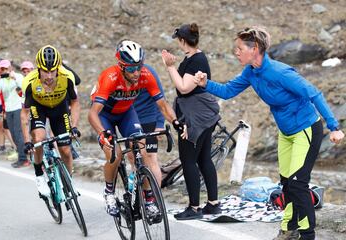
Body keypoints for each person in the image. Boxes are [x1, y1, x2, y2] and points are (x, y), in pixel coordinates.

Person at [194, 26, 345, 240]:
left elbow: (314, 93)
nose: (235, 52)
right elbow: (227, 91)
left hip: (306, 130)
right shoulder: (251, 72)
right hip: (286, 134)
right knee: (286, 183)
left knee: (298, 184)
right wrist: (205, 84)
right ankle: (289, 229)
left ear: (254, 48)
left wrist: (334, 127)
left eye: (239, 48)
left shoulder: (280, 72)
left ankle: (307, 235)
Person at [88, 40, 186, 217]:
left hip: (127, 113)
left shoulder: (145, 74)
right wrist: (102, 134)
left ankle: (148, 200)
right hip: (105, 116)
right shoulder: (109, 77)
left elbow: (162, 106)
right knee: (115, 154)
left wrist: (176, 123)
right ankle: (109, 192)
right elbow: (93, 114)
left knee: (143, 153)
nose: (136, 72)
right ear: (121, 66)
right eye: (131, 69)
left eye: (138, 67)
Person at [161, 23, 222, 220]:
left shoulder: (196, 60)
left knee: (188, 160)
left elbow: (184, 87)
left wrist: (170, 67)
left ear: (182, 40)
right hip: (202, 114)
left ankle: (194, 208)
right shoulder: (194, 57)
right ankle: (213, 204)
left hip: (194, 117)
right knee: (203, 158)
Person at [21, 45, 81, 197]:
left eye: (52, 71)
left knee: (66, 150)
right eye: (45, 71)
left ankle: (68, 181)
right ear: (38, 69)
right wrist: (27, 141)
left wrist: (74, 126)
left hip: (59, 109)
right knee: (39, 139)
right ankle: (39, 175)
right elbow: (25, 112)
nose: (49, 76)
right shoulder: (29, 81)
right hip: (38, 108)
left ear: (58, 68)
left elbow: (75, 102)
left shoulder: (67, 77)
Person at [0, 59, 30, 168]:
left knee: (18, 133)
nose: (4, 70)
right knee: (13, 135)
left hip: (18, 107)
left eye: (6, 68)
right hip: (8, 109)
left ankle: (23, 159)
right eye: (2, 68)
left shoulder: (17, 76)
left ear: (10, 68)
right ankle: (23, 155)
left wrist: (15, 78)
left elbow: (24, 88)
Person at [133, 63, 165, 186]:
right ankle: (137, 191)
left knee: (150, 157)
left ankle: (155, 198)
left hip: (149, 119)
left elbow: (161, 98)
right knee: (133, 157)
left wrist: (160, 123)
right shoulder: (119, 74)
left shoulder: (148, 72)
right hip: (130, 120)